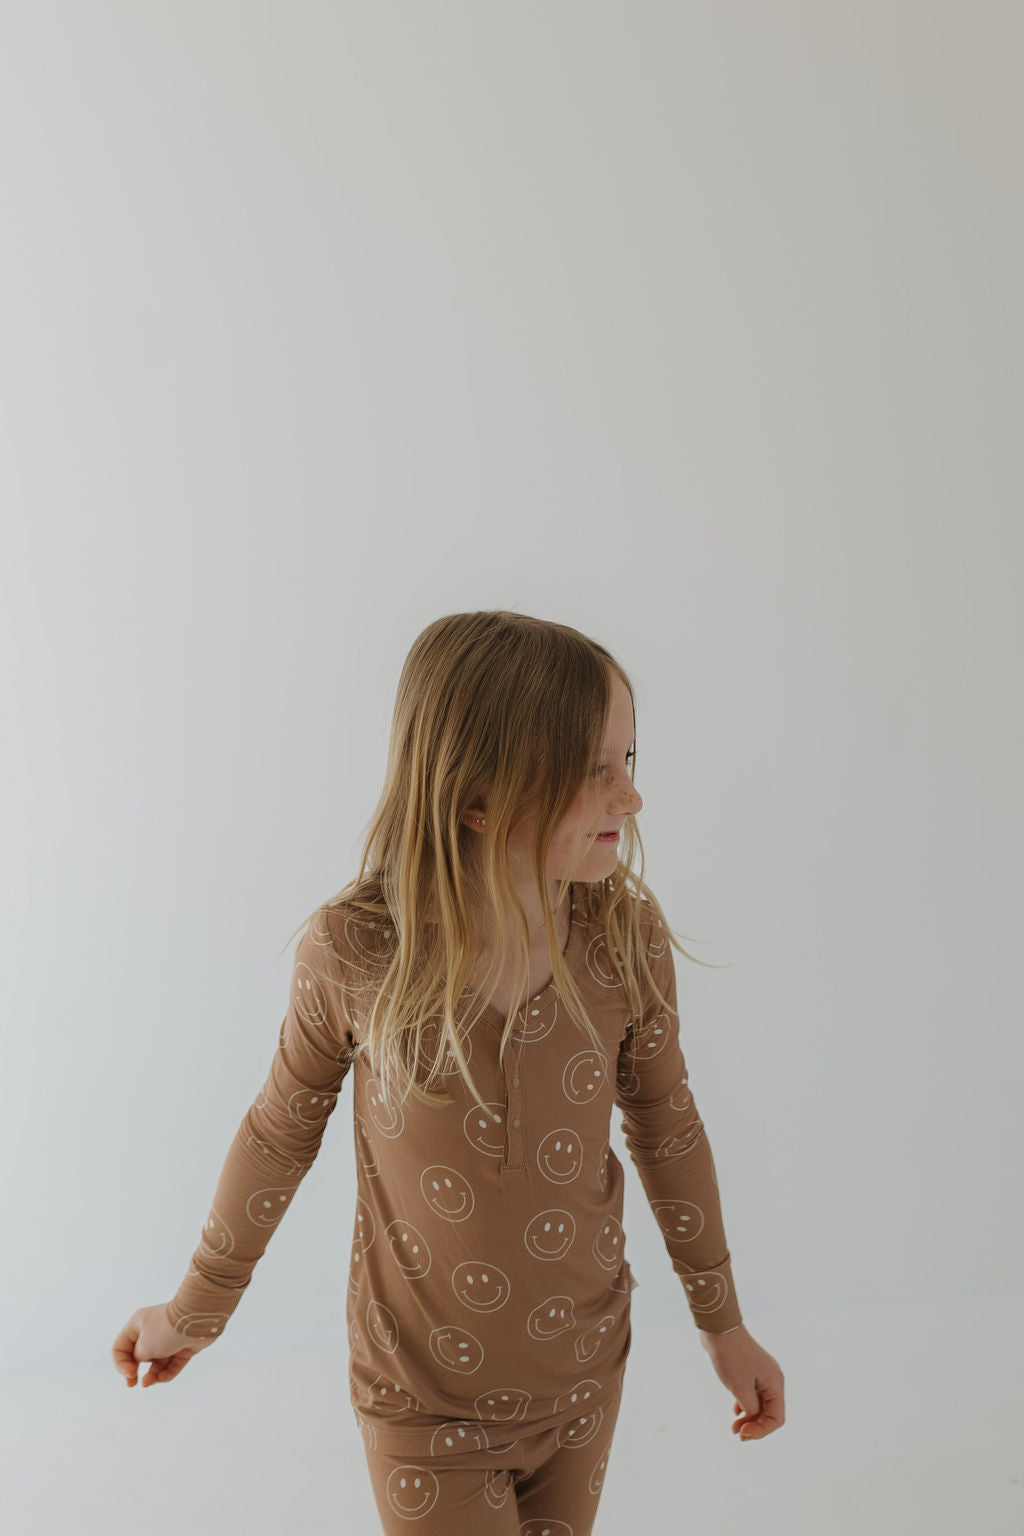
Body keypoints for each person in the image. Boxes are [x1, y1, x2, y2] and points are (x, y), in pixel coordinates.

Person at [111, 609, 784, 1533]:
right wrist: (194, 1310)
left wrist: (724, 1324)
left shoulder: (624, 940)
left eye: (628, 762)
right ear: (478, 797)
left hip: (586, 1380)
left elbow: (667, 1127)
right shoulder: (356, 951)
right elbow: (279, 1133)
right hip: (423, 1401)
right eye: (594, 772)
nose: (629, 800)